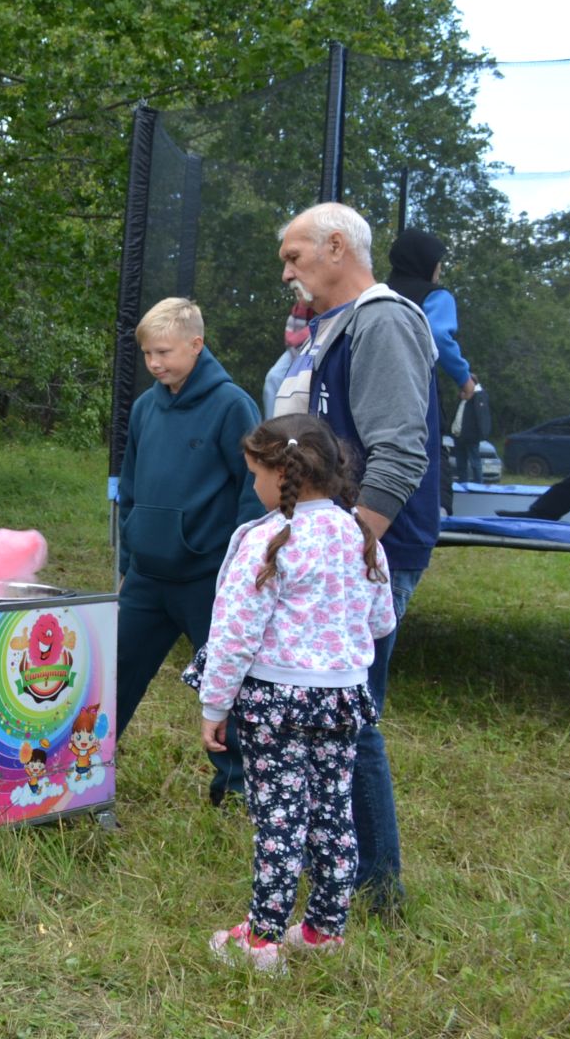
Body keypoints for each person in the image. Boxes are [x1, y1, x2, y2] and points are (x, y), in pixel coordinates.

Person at [271, 202, 438, 916]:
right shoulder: (329, 330)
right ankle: (335, 863)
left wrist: (351, 543)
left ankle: (376, 888)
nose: (287, 272)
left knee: (350, 712)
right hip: (332, 546)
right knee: (327, 708)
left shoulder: (384, 319)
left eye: (295, 257)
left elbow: (400, 450)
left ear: (337, 247)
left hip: (369, 550)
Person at [197, 414, 397, 971]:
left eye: (255, 473)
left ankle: (261, 941)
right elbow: (381, 621)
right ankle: (323, 930)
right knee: (334, 813)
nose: (253, 484)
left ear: (280, 472)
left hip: (275, 704)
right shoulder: (361, 536)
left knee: (280, 819)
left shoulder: (268, 541)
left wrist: (215, 705)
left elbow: (233, 635)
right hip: (341, 700)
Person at [115, 297, 262, 804]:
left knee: (227, 685)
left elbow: (254, 488)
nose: (154, 363)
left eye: (164, 352)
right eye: (147, 354)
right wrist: (127, 561)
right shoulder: (144, 408)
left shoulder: (231, 404)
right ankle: (82, 768)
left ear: (196, 345)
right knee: (112, 671)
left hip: (207, 578)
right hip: (147, 578)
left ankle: (239, 786)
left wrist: (238, 569)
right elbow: (129, 489)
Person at [386, 227, 482, 482]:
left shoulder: (378, 293)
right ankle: (440, 512)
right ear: (426, 264)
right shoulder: (436, 296)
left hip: (377, 388)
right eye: (438, 264)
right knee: (431, 456)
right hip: (418, 392)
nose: (439, 271)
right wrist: (464, 378)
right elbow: (439, 336)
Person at [261, 302, 315, 419]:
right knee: (273, 377)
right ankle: (272, 425)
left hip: (315, 346)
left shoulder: (324, 298)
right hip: (295, 350)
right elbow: (291, 338)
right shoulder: (298, 309)